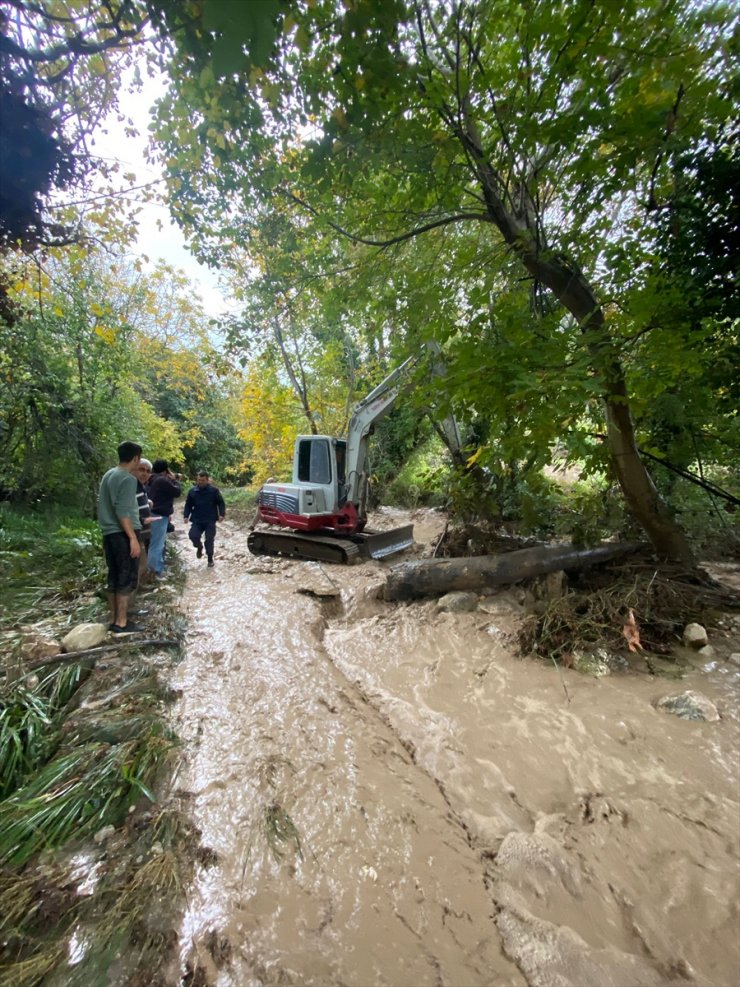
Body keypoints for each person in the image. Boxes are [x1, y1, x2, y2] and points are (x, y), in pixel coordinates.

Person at [98, 440, 143, 633]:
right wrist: (132, 537)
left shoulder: (109, 474)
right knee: (126, 577)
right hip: (123, 534)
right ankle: (122, 622)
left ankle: (114, 618)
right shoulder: (128, 479)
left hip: (109, 533)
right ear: (135, 458)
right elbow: (122, 510)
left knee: (114, 576)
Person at [146, 459, 182, 575]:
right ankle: (155, 571)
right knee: (157, 544)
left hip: (149, 513)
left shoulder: (150, 479)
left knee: (153, 543)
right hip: (159, 515)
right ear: (166, 470)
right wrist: (175, 480)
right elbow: (177, 492)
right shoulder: (161, 480)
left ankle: (154, 569)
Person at [183, 470, 225, 567]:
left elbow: (220, 503)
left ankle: (210, 558)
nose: (200, 482)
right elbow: (188, 504)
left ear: (207, 480)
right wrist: (186, 515)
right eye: (199, 480)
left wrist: (221, 514)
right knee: (193, 535)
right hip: (197, 519)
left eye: (203, 480)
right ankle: (199, 546)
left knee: (209, 539)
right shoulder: (192, 491)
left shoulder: (214, 491)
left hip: (210, 519)